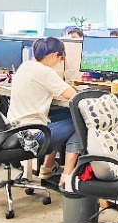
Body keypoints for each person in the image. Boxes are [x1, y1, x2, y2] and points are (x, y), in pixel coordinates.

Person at [7, 36, 80, 185]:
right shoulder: (45, 72)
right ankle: (67, 176)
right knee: (79, 121)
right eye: (60, 58)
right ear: (53, 55)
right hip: (33, 135)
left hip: (14, 131)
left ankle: (48, 167)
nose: (59, 62)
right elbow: (73, 95)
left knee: (65, 114)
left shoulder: (25, 66)